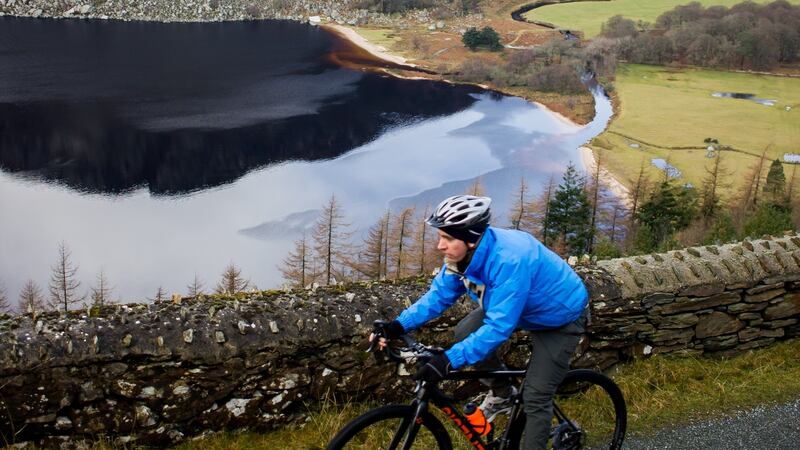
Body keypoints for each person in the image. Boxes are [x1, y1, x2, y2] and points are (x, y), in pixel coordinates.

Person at [372, 194, 588, 450]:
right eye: (440, 236)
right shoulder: (460, 258)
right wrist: (396, 326)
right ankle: (503, 394)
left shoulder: (509, 260)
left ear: (472, 240)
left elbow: (498, 327)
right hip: (519, 307)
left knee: (536, 397)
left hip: (560, 317)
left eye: (448, 238)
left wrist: (448, 360)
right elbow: (438, 296)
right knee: (464, 331)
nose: (440, 245)